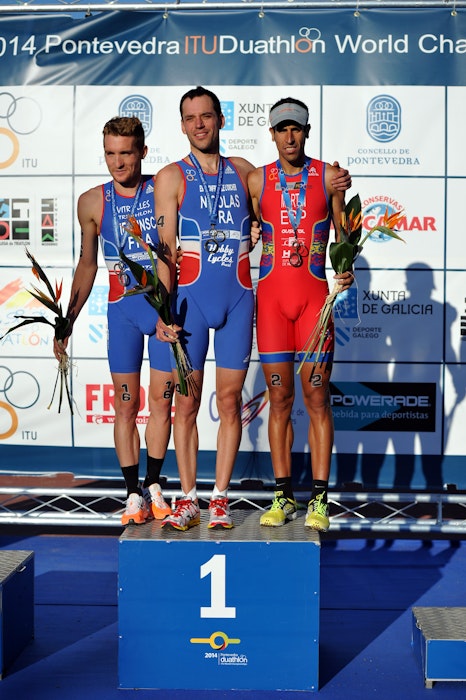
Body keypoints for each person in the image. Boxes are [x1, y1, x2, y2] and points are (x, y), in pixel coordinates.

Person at [154, 87, 351, 532]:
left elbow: (331, 228)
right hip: (193, 301)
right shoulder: (179, 177)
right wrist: (163, 310)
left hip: (246, 298)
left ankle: (224, 498)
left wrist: (345, 254)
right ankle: (189, 499)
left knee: (239, 400)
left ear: (221, 119)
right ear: (182, 125)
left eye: (207, 115)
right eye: (191, 117)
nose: (199, 124)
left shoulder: (246, 174)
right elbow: (164, 248)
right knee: (188, 402)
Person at [53, 116, 174, 527]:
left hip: (161, 312)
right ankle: (133, 493)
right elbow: (87, 265)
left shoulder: (164, 188)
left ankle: (154, 485)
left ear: (143, 151)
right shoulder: (92, 202)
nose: (118, 162)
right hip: (123, 312)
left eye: (126, 153)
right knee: (126, 405)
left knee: (162, 403)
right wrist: (67, 321)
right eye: (110, 153)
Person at [248, 97, 354, 531]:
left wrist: (346, 267)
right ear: (272, 134)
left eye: (296, 128)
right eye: (282, 129)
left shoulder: (328, 176)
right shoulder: (257, 179)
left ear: (306, 132)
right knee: (279, 400)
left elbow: (344, 234)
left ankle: (320, 500)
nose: (289, 136)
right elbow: (245, 228)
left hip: (313, 302)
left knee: (316, 399)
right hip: (272, 303)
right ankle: (283, 495)